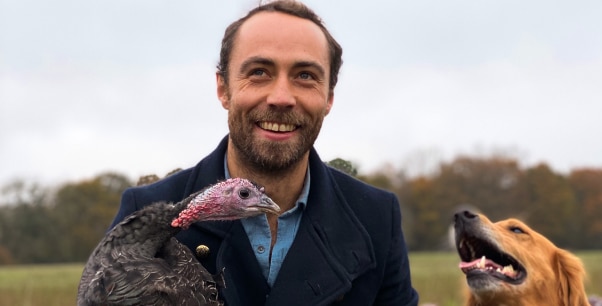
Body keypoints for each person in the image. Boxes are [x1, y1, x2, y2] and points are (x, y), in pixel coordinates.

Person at [108, 1, 420, 305]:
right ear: (223, 89)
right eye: (259, 72)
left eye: (305, 75)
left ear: (328, 98)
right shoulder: (145, 215)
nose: (281, 97)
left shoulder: (377, 219)